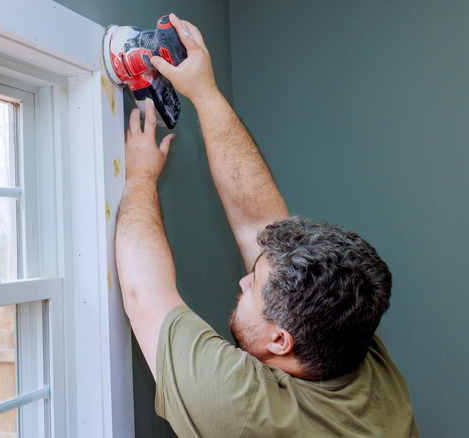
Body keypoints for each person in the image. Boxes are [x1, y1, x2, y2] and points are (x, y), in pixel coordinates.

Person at [115, 13, 419, 437]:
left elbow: (145, 295)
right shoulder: (350, 342)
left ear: (280, 341)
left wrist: (140, 178)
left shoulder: (245, 409)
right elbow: (259, 222)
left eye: (253, 286)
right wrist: (205, 93)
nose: (243, 281)